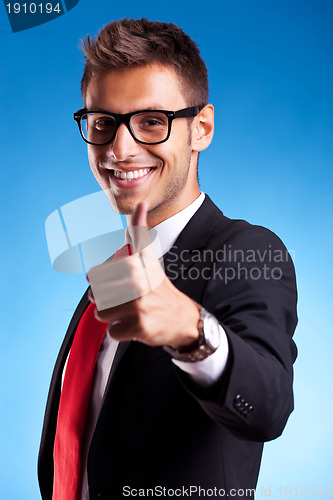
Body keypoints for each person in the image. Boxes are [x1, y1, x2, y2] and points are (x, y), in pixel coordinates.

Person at [38, 18, 298, 500]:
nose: (120, 148)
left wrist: (191, 330)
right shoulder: (113, 272)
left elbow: (268, 405)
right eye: (103, 123)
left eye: (152, 122)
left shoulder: (246, 250)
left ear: (201, 128)